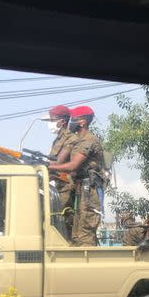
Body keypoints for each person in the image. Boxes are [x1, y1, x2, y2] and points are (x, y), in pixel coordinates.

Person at [48, 106, 106, 246]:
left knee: (84, 235)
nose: (70, 122)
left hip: (89, 191)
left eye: (73, 119)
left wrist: (48, 167)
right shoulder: (78, 141)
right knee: (76, 235)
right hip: (81, 189)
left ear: (82, 122)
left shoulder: (88, 140)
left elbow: (73, 165)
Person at [44, 105, 77, 227]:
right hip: (58, 185)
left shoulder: (70, 138)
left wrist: (42, 166)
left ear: (62, 121)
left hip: (66, 186)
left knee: (62, 221)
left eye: (52, 120)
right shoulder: (58, 139)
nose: (50, 123)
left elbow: (58, 162)